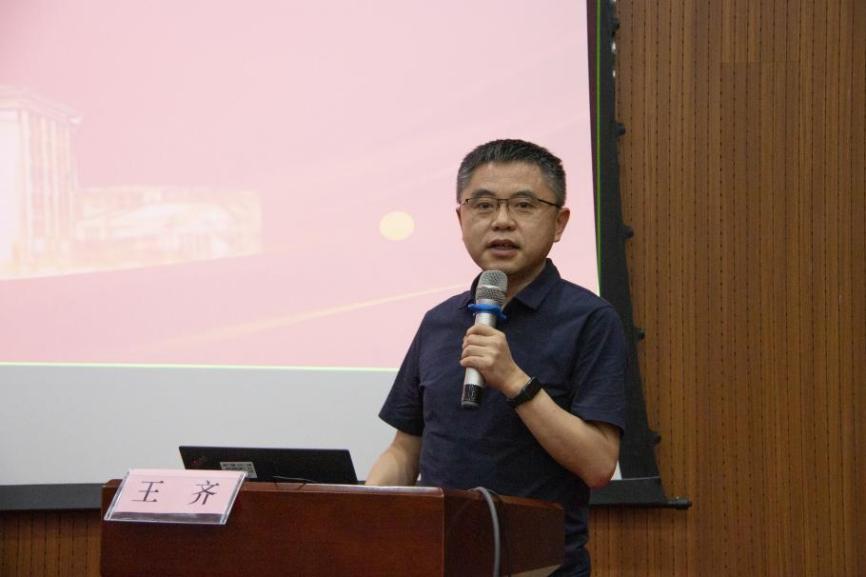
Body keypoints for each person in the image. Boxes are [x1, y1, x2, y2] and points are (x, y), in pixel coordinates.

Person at [366, 139, 627, 577]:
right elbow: (405, 450)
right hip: (437, 562)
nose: (501, 221)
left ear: (559, 222)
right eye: (484, 205)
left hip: (540, 568)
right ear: (461, 219)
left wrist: (513, 381)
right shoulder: (439, 321)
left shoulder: (589, 320)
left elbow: (598, 464)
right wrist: (363, 509)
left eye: (523, 205)